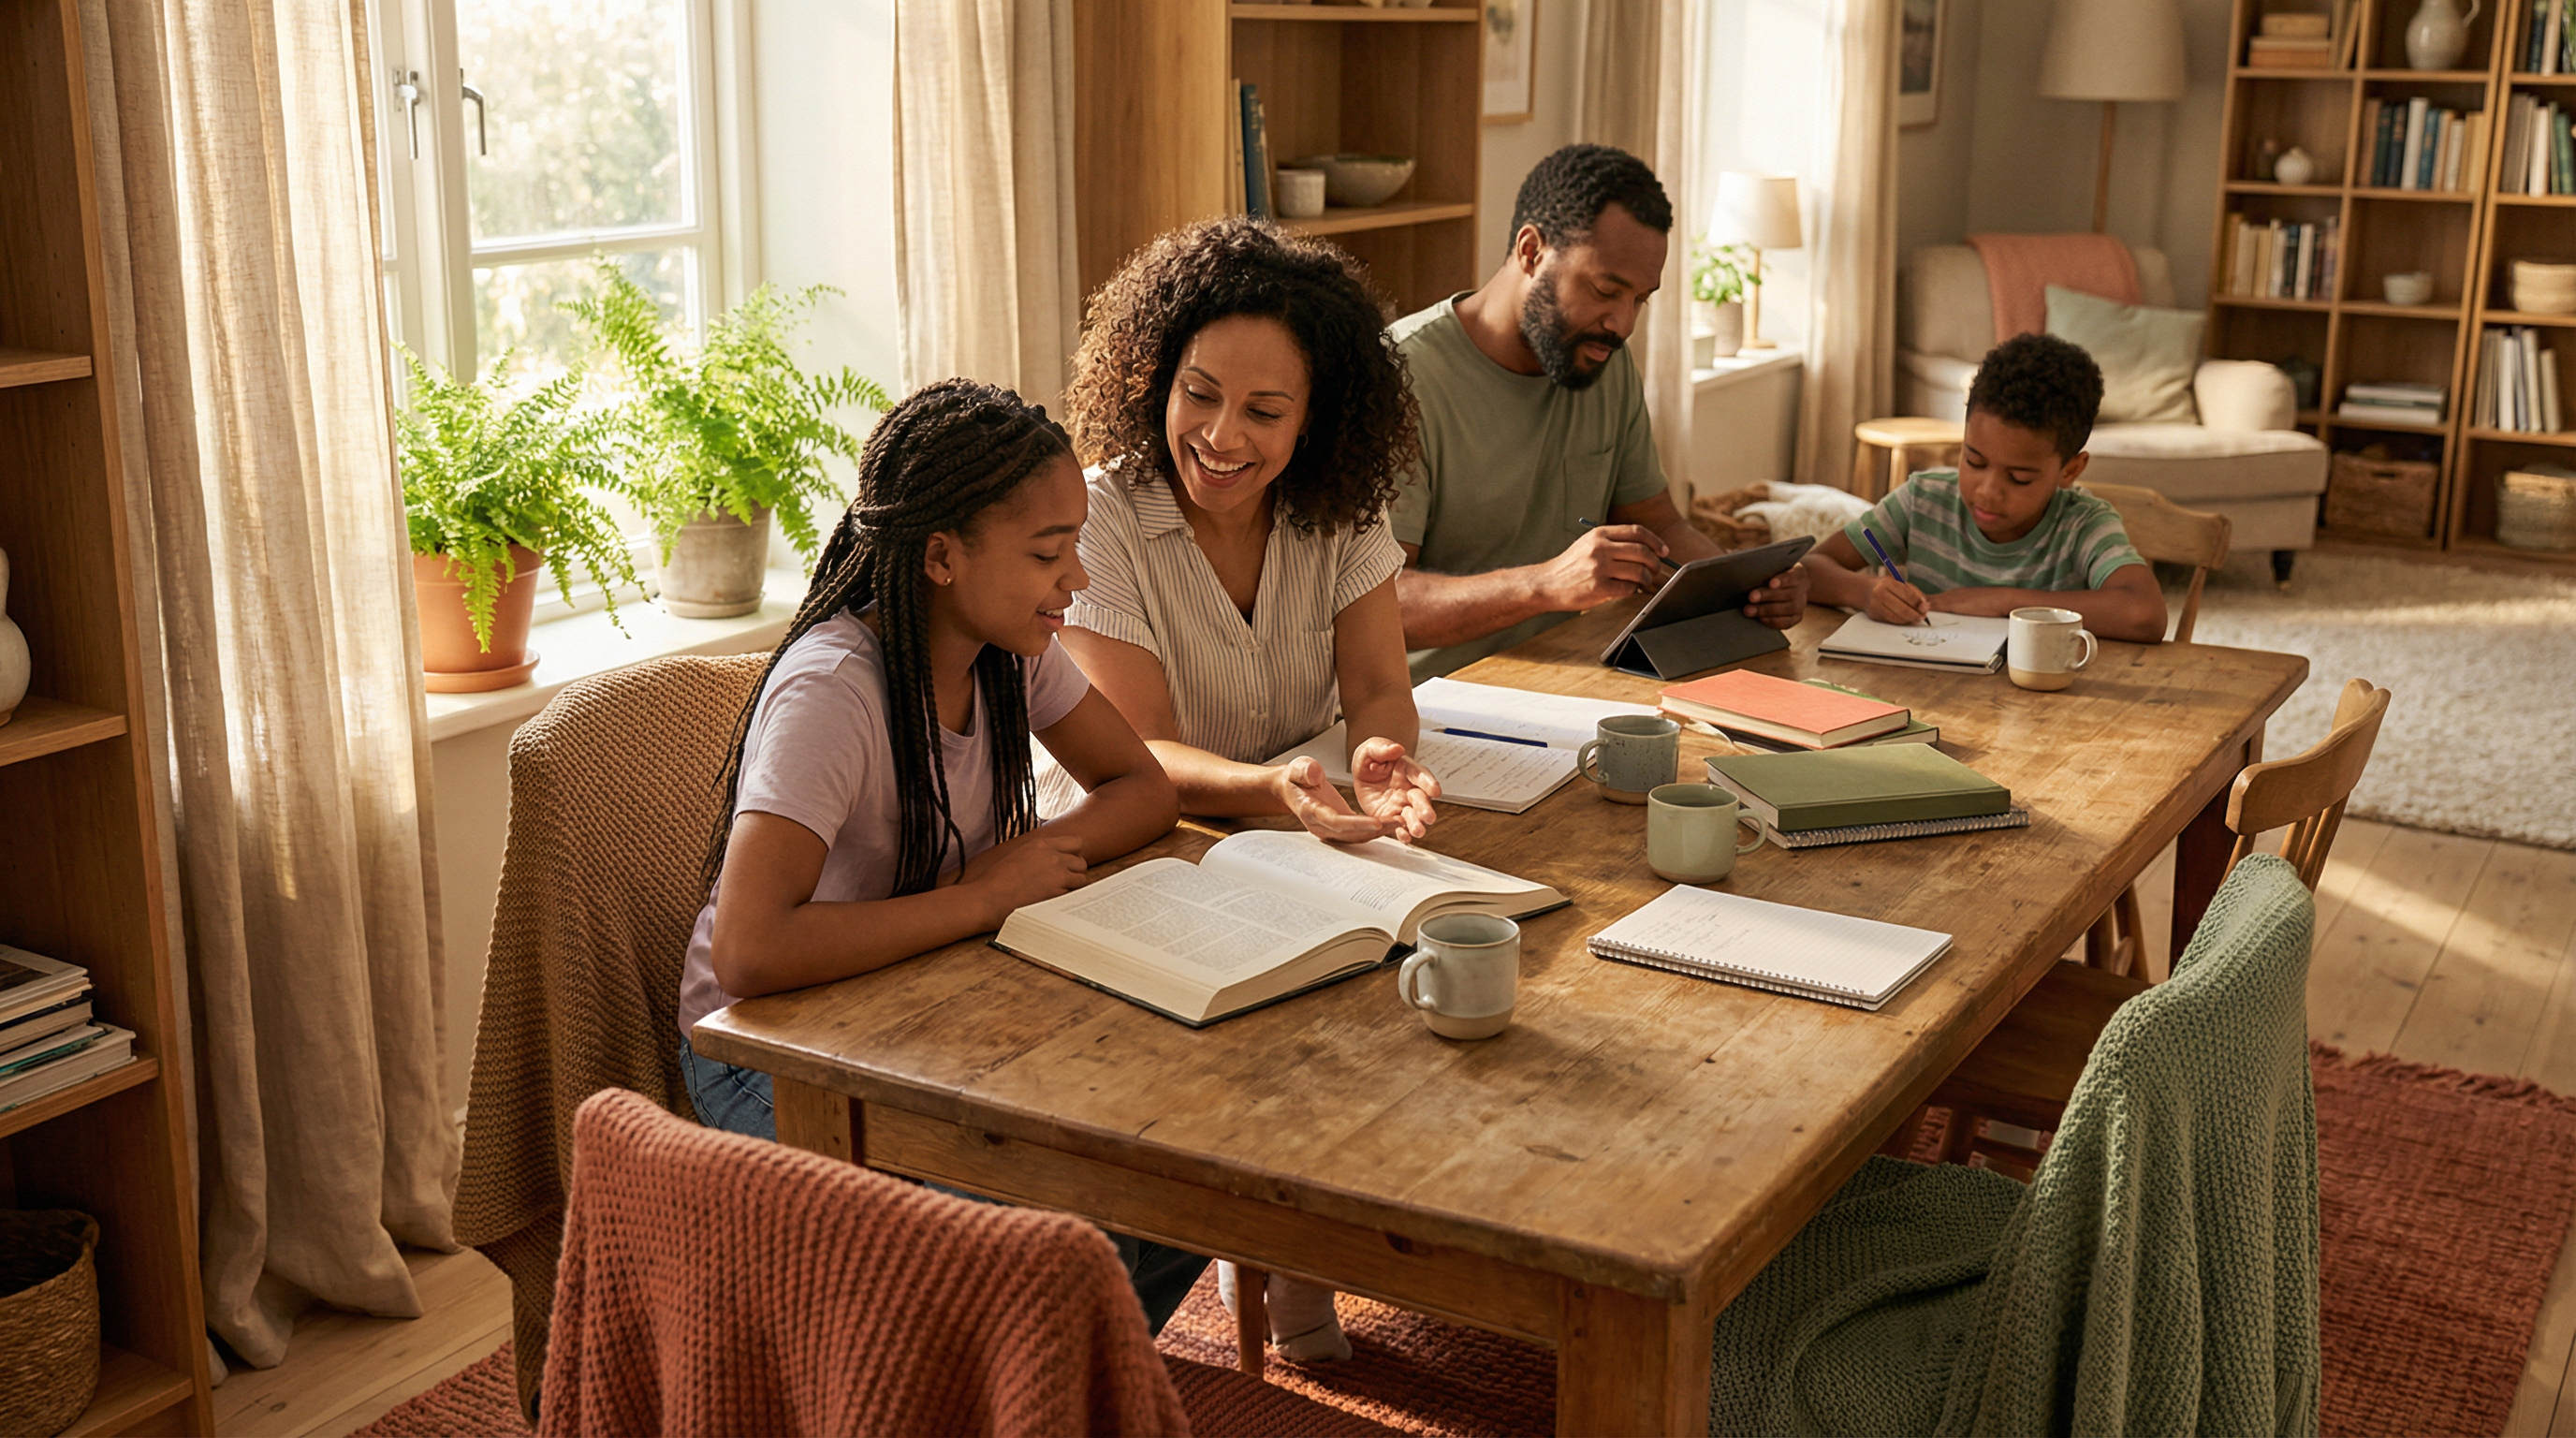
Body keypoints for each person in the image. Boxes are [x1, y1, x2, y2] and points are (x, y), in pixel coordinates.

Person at [675, 378, 1206, 1331]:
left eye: (1075, 545)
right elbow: (749, 952)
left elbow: (1143, 789)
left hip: (920, 1003)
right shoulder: (833, 693)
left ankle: (1067, 1383)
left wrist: (1023, 866)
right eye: (1047, 552)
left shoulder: (1010, 651)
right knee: (1051, 1247)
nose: (1077, 579)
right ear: (940, 557)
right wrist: (980, 898)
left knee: (1181, 1175)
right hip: (768, 1050)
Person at [1056, 216, 1433, 1361]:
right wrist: (1283, 791)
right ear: (1153, 376)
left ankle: (1295, 1253)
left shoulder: (1341, 506)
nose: (1220, 437)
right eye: (1199, 394)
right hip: (1130, 847)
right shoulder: (1100, 515)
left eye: (1264, 412)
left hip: (1290, 827)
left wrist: (1380, 753)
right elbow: (1138, 752)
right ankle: (1224, 1264)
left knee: (1387, 988)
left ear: (1315, 420)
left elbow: (1378, 686)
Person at [1389, 143, 1809, 680]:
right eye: (1606, 290)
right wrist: (1544, 585)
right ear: (1531, 251)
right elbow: (1379, 603)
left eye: (1641, 299)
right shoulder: (1400, 379)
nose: (1623, 323)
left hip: (1575, 676)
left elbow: (1660, 524)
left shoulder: (1602, 361)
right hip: (1432, 701)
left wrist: (1745, 587)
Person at [1802, 333, 2167, 643]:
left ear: (2070, 470)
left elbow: (2144, 614)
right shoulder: (1923, 501)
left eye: (2019, 478)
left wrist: (2002, 602)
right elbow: (1811, 567)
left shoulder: (2083, 524)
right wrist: (1866, 592)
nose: (1988, 491)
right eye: (1974, 461)